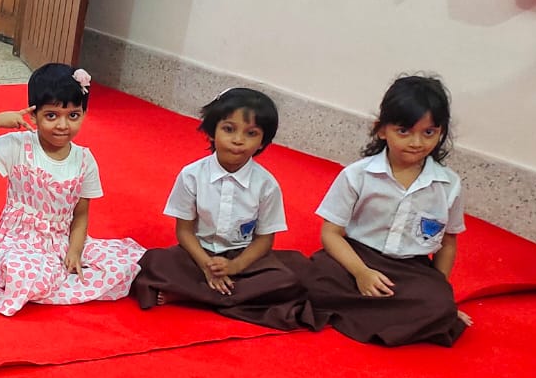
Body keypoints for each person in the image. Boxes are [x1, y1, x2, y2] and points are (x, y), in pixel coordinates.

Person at [0, 63, 144, 316]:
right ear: (33, 116)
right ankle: (47, 278)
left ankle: (55, 276)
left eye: (73, 115)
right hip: (20, 241)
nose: (63, 125)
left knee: (124, 266)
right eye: (51, 116)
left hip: (62, 240)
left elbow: (81, 214)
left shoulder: (85, 160)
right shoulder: (20, 145)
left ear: (84, 113)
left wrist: (74, 251)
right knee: (24, 274)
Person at [303, 75, 470, 346]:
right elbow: (331, 234)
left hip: (410, 270)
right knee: (313, 279)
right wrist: (361, 273)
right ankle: (391, 313)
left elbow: (448, 242)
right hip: (356, 257)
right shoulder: (357, 175)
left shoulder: (449, 184)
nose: (416, 142)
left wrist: (438, 290)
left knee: (438, 304)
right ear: (381, 130)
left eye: (429, 132)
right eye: (404, 131)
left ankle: (397, 310)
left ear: (441, 132)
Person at [130, 88, 315, 330]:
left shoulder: (267, 185)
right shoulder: (191, 175)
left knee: (291, 279)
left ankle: (189, 295)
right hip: (197, 255)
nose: (238, 140)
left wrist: (235, 267)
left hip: (244, 260)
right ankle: (225, 296)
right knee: (153, 262)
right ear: (212, 130)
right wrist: (207, 266)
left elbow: (264, 240)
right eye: (229, 129)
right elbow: (184, 231)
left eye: (251, 133)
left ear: (263, 141)